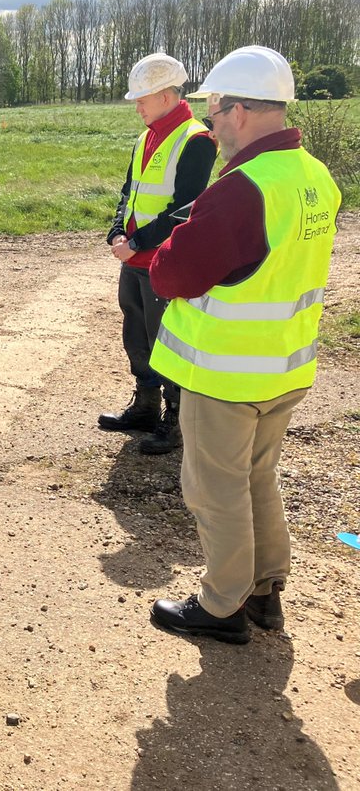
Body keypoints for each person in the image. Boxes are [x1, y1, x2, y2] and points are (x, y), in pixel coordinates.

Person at [148, 46, 341, 644]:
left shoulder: (242, 187)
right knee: (258, 477)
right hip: (284, 367)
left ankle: (222, 605)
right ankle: (264, 590)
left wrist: (167, 248)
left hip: (226, 374)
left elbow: (174, 275)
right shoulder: (313, 174)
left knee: (215, 488)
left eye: (212, 110)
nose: (208, 124)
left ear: (239, 109)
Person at [99, 53, 216, 454]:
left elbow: (187, 207)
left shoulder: (196, 139)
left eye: (143, 97)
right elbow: (128, 194)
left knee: (166, 341)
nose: (137, 105)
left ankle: (175, 420)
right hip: (133, 261)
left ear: (167, 95)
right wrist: (117, 230)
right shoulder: (145, 136)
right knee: (136, 335)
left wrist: (137, 241)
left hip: (163, 262)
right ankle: (145, 407)